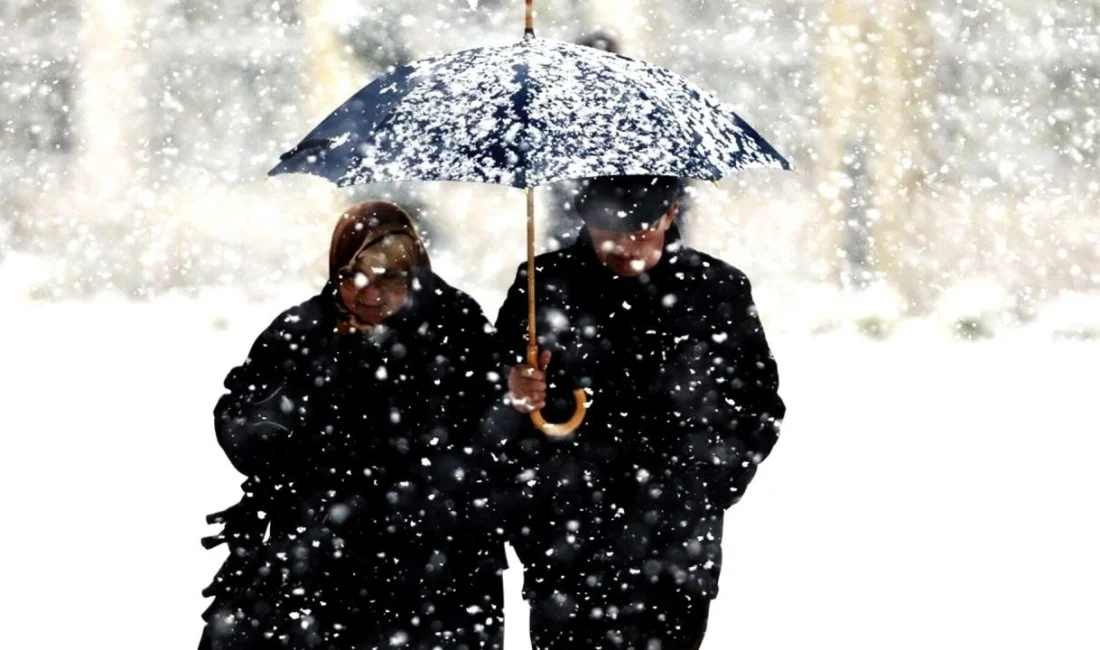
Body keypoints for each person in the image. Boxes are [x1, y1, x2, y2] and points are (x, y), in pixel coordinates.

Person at [198, 201, 508, 650]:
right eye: (352, 278)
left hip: (440, 567)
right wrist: (277, 427)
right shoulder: (303, 331)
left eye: (389, 279)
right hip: (324, 560)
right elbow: (239, 417)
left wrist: (519, 399)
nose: (369, 294)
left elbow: (495, 432)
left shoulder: (456, 328)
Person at [497, 175, 786, 650]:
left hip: (674, 547)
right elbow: (491, 404)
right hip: (567, 545)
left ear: (671, 213)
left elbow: (757, 406)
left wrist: (706, 487)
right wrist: (514, 391)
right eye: (607, 229)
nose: (623, 245)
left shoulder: (715, 290)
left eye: (641, 228)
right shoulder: (543, 284)